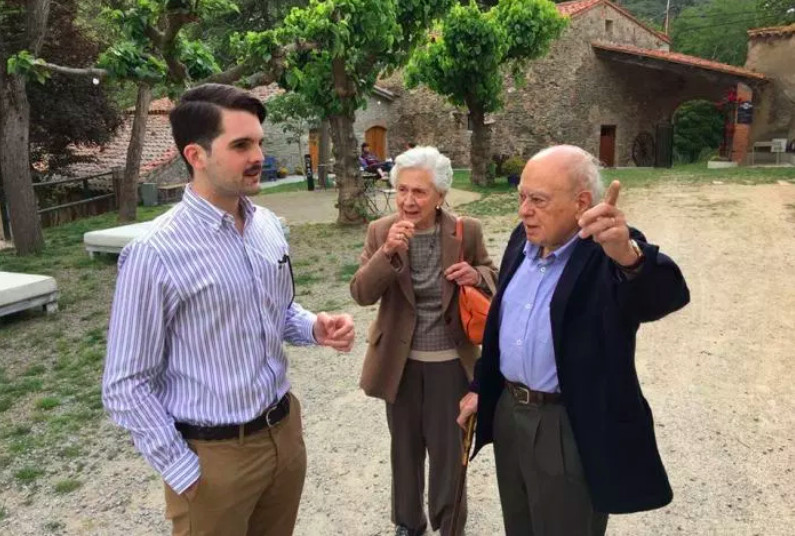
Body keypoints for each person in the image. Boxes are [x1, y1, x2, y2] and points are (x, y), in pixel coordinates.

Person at [102, 83, 355, 536]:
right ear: (196, 155)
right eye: (241, 145)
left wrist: (315, 326)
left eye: (258, 141)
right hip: (212, 457)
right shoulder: (155, 253)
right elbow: (125, 384)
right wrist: (183, 469)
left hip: (284, 435)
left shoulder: (268, 227)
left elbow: (274, 311)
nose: (257, 155)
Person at [457, 145, 690, 536]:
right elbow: (502, 325)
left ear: (582, 201)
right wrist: (482, 387)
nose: (524, 211)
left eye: (538, 200)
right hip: (511, 414)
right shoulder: (522, 240)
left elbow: (664, 296)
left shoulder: (608, 250)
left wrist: (628, 254)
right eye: (521, 197)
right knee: (520, 525)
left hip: (565, 424)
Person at [350, 146, 498, 536]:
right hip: (398, 364)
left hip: (451, 363)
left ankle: (449, 527)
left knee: (451, 455)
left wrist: (476, 275)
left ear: (440, 196)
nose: (408, 201)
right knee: (404, 451)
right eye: (402, 190)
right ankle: (408, 524)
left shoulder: (466, 231)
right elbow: (361, 293)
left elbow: (493, 274)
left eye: (419, 192)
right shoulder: (380, 231)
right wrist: (387, 254)